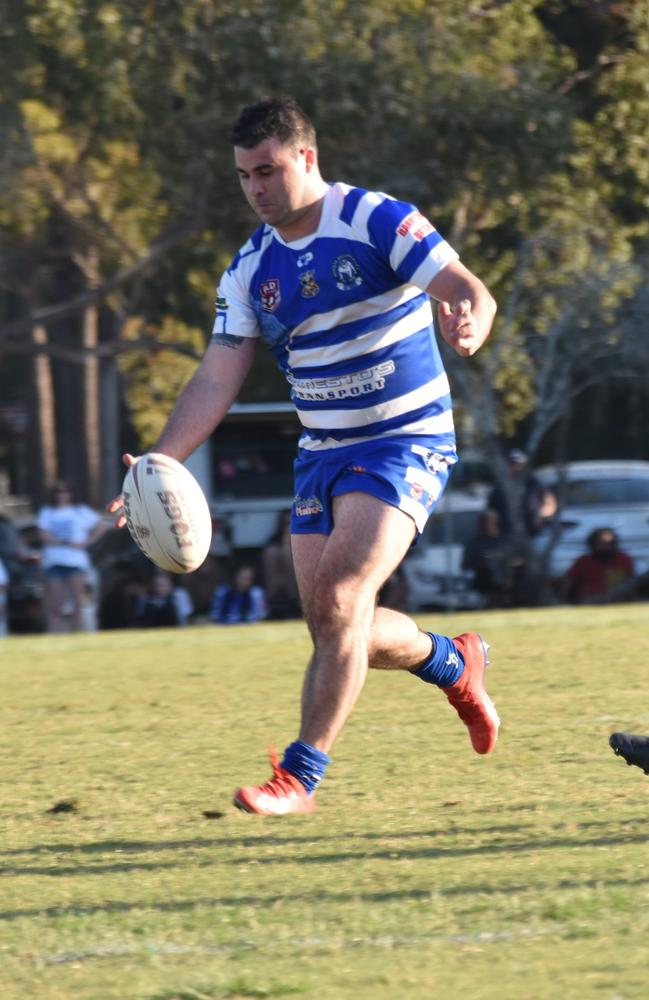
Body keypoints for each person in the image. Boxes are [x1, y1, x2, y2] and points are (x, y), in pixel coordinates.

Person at [108, 96, 500, 816]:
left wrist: (470, 315)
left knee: (343, 601)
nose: (256, 188)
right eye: (244, 176)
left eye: (268, 170)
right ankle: (454, 661)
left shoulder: (377, 219)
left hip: (405, 439)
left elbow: (465, 285)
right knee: (331, 620)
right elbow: (218, 371)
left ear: (306, 158)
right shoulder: (251, 268)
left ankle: (299, 778)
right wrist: (156, 463)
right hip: (323, 449)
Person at [37, 481, 108, 632]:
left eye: (65, 491)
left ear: (71, 494)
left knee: (78, 604)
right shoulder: (47, 512)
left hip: (76, 563)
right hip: (54, 562)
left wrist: (86, 542)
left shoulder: (80, 511)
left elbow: (102, 527)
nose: (62, 495)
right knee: (55, 606)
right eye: (58, 491)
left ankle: (79, 635)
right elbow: (43, 535)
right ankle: (55, 637)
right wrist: (65, 541)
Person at [557, 527, 635, 604]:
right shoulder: (583, 561)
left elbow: (631, 583)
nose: (606, 547)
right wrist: (562, 601)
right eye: (602, 543)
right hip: (589, 600)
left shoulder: (624, 559)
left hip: (617, 600)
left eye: (609, 544)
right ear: (593, 544)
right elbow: (568, 583)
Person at [462, 508, 519, 608]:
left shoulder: (505, 542)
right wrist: (484, 562)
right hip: (483, 589)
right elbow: (465, 565)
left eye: (488, 522)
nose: (484, 526)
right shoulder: (474, 544)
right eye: (482, 523)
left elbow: (518, 560)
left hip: (507, 588)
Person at [488, 449, 546, 538]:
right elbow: (491, 509)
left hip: (530, 531)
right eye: (512, 464)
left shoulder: (533, 483)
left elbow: (546, 502)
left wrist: (538, 515)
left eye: (518, 464)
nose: (515, 467)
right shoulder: (500, 486)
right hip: (506, 532)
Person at [261, 510, 301, 620]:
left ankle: (293, 601)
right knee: (272, 553)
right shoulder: (273, 543)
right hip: (277, 585)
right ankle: (274, 603)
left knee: (287, 552)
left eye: (290, 523)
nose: (287, 527)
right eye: (285, 524)